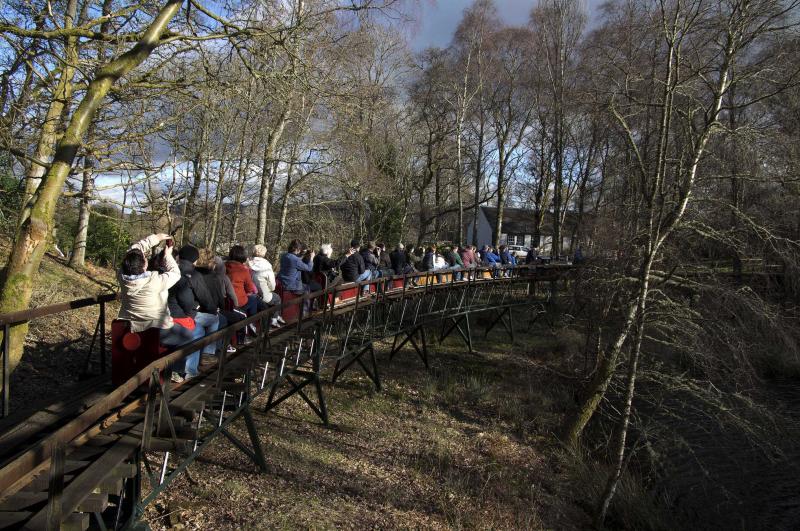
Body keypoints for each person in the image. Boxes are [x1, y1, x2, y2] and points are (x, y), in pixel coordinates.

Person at [170, 244, 218, 379]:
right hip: (183, 315)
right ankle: (201, 360)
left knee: (200, 327)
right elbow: (202, 298)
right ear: (195, 260)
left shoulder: (170, 271)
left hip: (167, 313)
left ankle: (195, 363)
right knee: (207, 325)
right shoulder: (193, 275)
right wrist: (212, 310)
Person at [226, 245, 262, 317]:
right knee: (254, 298)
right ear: (243, 256)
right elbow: (250, 288)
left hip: (226, 301)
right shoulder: (243, 270)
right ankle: (252, 321)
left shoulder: (223, 266)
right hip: (238, 302)